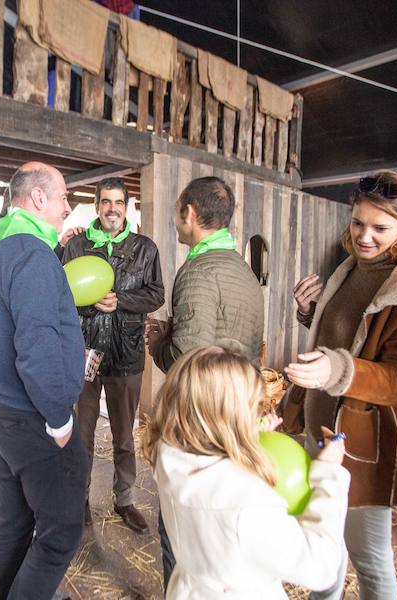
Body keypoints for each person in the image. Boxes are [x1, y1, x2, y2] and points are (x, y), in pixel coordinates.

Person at [283, 171, 397, 600]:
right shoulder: (352, 268)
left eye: (380, 228)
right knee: (323, 541)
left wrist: (336, 370)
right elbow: (353, 339)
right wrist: (311, 313)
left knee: (369, 559)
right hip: (325, 432)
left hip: (367, 447)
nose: (365, 236)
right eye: (357, 223)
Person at [142, 346, 350, 599]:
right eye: (251, 407)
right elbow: (321, 568)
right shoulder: (247, 503)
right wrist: (329, 474)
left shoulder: (168, 454)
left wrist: (250, 432)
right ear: (232, 418)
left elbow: (214, 445)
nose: (257, 412)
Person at [144, 176, 266, 589]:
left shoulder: (197, 271)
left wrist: (159, 342)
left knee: (177, 532)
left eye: (179, 213)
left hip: (197, 424)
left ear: (189, 214)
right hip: (235, 419)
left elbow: (186, 360)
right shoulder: (243, 272)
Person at [0, 161, 86, 600]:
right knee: (62, 529)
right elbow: (36, 348)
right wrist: (59, 417)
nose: (66, 207)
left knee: (16, 517)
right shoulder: (33, 254)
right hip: (32, 415)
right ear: (38, 198)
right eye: (62, 198)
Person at [61, 177, 164, 534]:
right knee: (82, 435)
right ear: (96, 205)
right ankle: (80, 500)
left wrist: (121, 301)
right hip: (84, 353)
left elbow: (156, 294)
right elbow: (60, 289)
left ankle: (125, 500)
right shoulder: (75, 246)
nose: (112, 209)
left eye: (119, 202)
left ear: (127, 207)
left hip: (127, 355)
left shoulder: (145, 248)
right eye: (106, 202)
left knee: (123, 436)